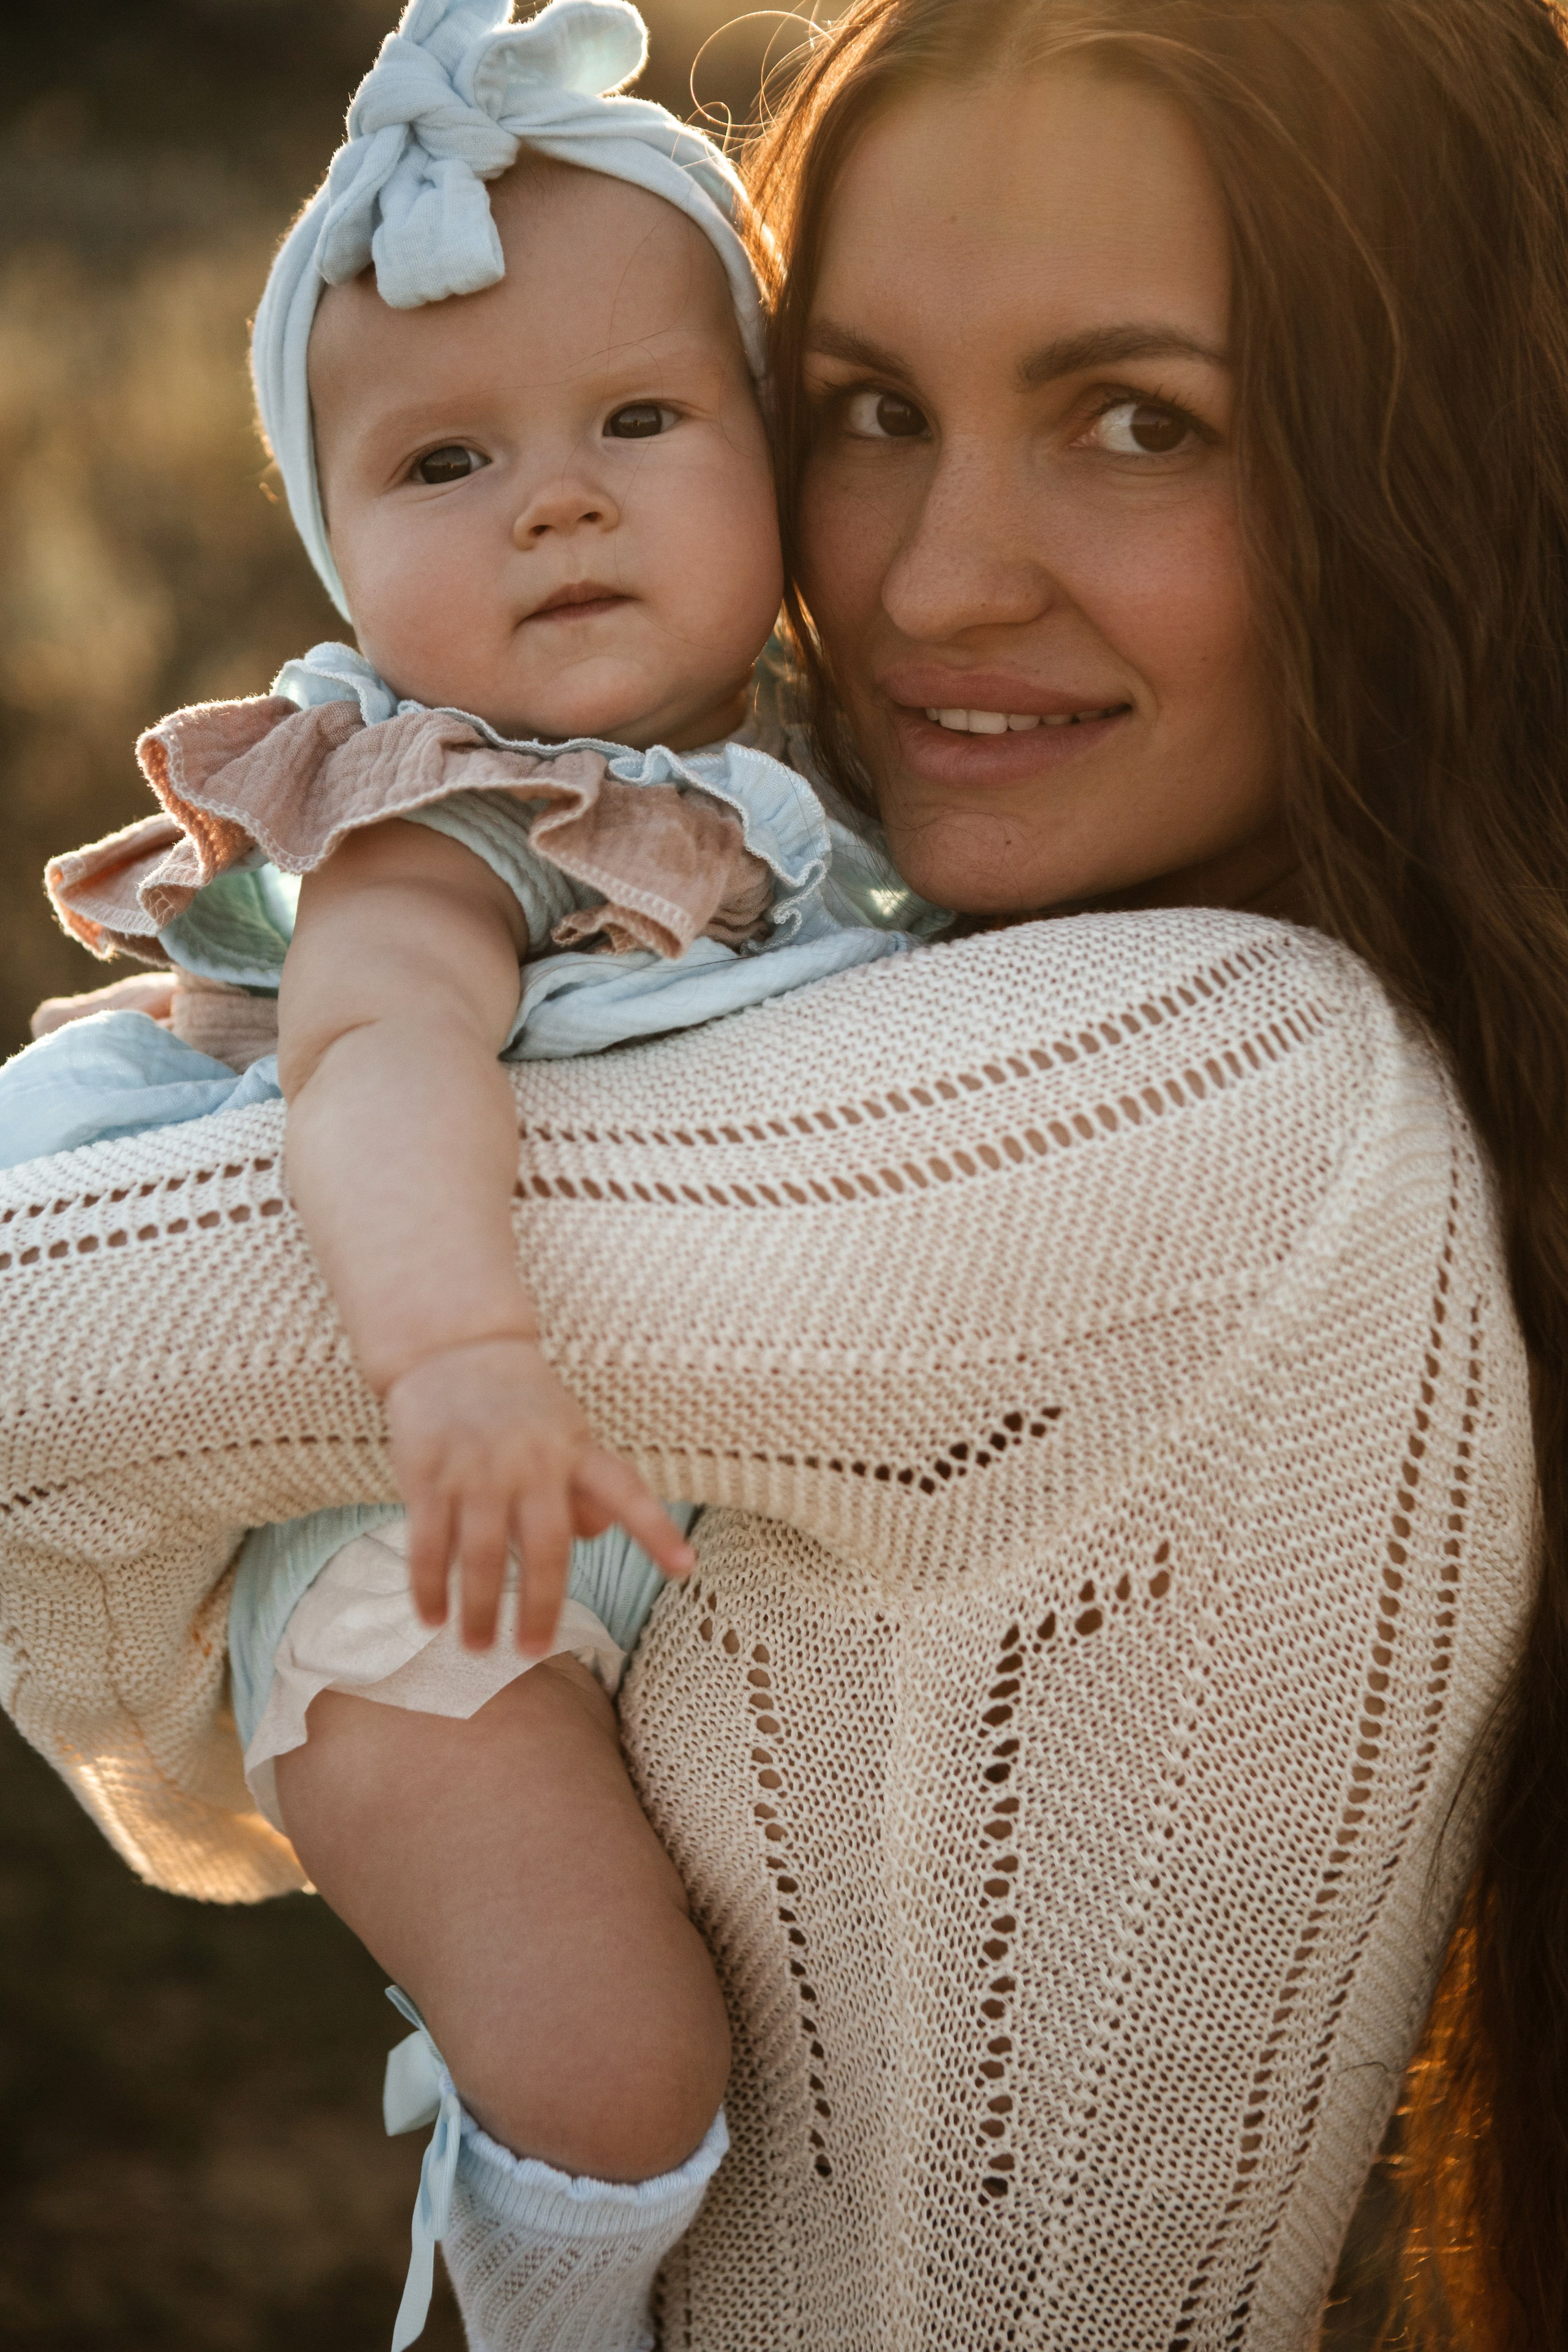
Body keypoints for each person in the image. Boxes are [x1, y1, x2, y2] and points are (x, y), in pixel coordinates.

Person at [1, 0, 1564, 2346]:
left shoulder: (1231, 1087)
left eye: (1145, 422)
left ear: (1448, 457)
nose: (932, 588)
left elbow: (57, 1331)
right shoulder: (945, 952)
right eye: (867, 413)